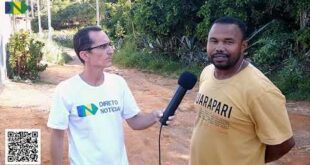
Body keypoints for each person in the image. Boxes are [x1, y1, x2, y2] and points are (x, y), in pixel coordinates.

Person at [47, 26, 172, 165]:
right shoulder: (66, 90)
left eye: (109, 45)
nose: (111, 50)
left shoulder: (118, 83)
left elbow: (134, 121)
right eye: (103, 46)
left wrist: (155, 116)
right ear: (84, 55)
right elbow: (57, 136)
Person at [190, 16, 295, 165]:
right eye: (213, 41)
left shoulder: (260, 90)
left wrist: (252, 160)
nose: (219, 47)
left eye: (228, 42)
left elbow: (284, 143)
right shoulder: (207, 72)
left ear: (243, 46)